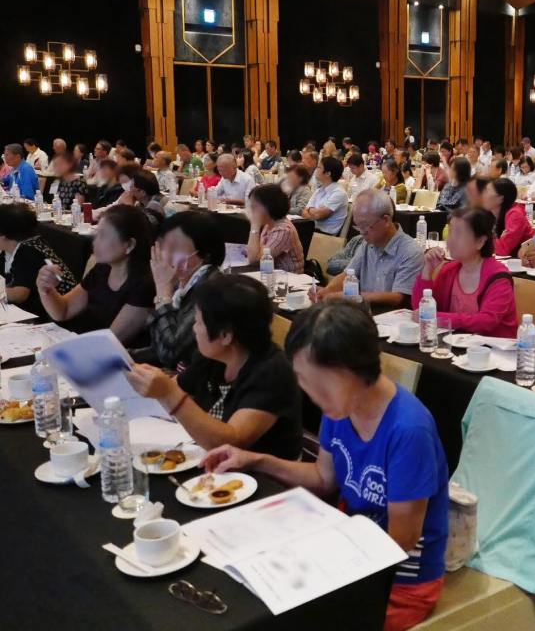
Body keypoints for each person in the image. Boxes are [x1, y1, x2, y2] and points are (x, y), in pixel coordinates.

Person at [202, 302, 448, 630]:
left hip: (400, 582)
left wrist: (318, 556)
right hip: (352, 553)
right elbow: (323, 478)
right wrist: (255, 460)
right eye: (303, 381)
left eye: (318, 382)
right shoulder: (341, 408)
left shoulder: (408, 430)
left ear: (351, 369)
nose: (311, 395)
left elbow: (400, 540)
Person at [127, 273, 302, 459]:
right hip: (213, 462)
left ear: (225, 335)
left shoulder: (272, 372)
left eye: (198, 322)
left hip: (258, 474)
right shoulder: (213, 358)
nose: (194, 329)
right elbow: (172, 389)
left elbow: (232, 442)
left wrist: (169, 393)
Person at [36, 205, 155, 344]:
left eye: (103, 236)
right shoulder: (102, 269)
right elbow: (64, 311)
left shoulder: (144, 285)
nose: (95, 242)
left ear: (129, 245)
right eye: (97, 234)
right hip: (89, 345)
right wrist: (46, 289)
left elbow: (109, 342)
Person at [140, 211, 224, 372]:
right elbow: (159, 346)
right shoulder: (181, 284)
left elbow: (171, 353)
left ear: (205, 254)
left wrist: (163, 292)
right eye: (164, 246)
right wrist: (123, 355)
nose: (166, 255)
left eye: (175, 248)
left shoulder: (210, 289)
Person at [413, 208, 517, 337]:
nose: (450, 240)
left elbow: (486, 322)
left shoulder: (499, 278)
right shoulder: (449, 270)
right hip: (456, 343)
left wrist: (436, 317)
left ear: (480, 242)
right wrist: (427, 271)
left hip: (493, 346)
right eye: (450, 231)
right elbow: (420, 311)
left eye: (459, 234)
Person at [319, 189, 423, 308]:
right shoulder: (367, 244)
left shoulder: (411, 251)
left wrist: (352, 296)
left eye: (365, 226)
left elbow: (397, 298)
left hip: (391, 316)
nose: (362, 232)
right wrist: (327, 291)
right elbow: (347, 275)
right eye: (358, 226)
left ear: (386, 220)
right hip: (365, 312)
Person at [0, 203, 77, 319]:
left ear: (3, 236)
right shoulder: (11, 248)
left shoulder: (28, 252)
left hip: (53, 313)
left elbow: (20, 294)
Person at [247, 184, 304, 273]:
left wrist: (254, 225)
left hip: (288, 278)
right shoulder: (269, 225)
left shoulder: (284, 230)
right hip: (271, 274)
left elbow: (254, 260)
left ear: (269, 206)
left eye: (255, 206)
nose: (252, 210)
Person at [483, 177, 535, 257]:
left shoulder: (515, 215)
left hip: (525, 260)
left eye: (487, 191)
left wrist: (488, 240)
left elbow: (502, 249)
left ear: (500, 198)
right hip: (509, 260)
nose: (482, 195)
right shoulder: (489, 213)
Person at [303, 156, 349, 235]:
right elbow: (304, 212)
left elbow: (319, 215)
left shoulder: (339, 193)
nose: (316, 169)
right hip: (313, 230)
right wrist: (314, 212)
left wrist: (310, 210)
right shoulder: (319, 190)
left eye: (319, 167)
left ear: (328, 173)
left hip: (326, 236)